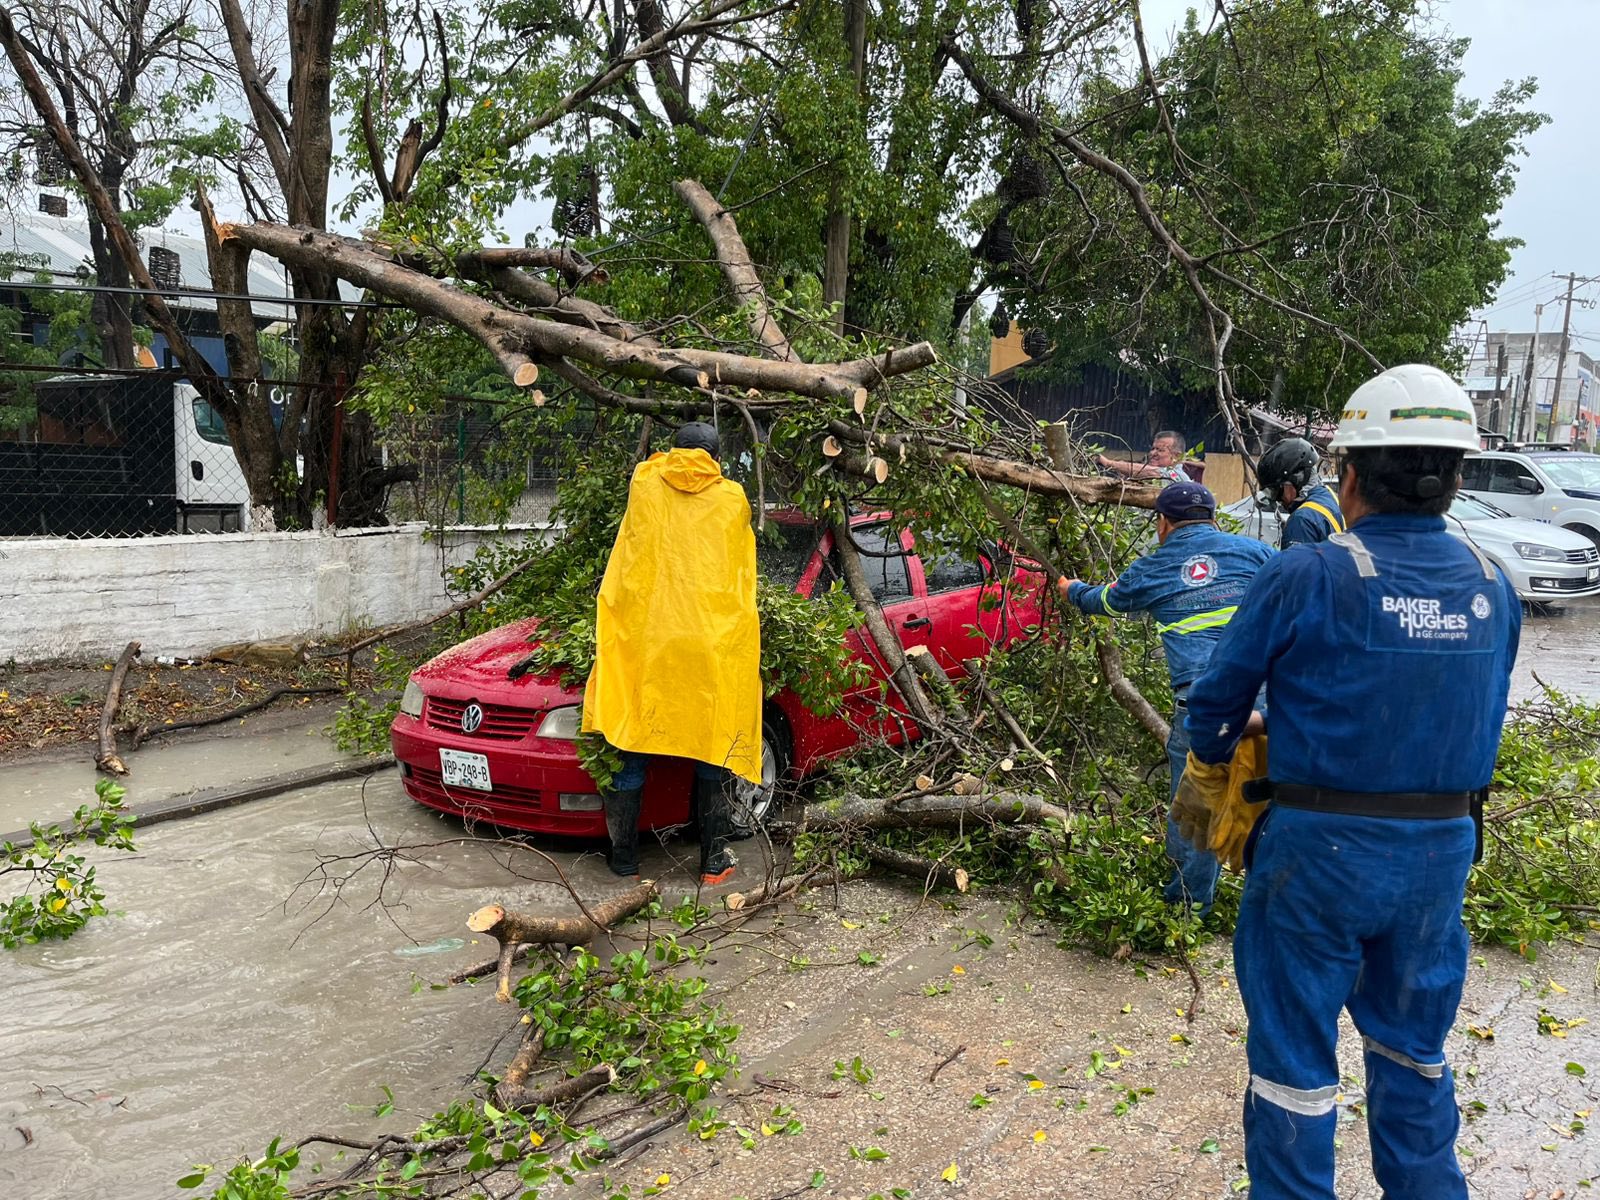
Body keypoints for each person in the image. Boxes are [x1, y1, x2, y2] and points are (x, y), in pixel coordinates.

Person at [1177, 364, 1521, 1200]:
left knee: (1295, 1065)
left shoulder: (1308, 574)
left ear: (1351, 473)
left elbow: (1214, 705)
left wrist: (1234, 745)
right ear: (1457, 479)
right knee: (1414, 1054)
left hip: (1317, 857)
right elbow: (1459, 711)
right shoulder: (1493, 586)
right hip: (1440, 859)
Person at [1058, 481, 1273, 914]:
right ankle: (1272, 903)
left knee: (1197, 807)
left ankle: (1187, 908)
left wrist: (1071, 589)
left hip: (1205, 707)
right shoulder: (1258, 554)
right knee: (1267, 800)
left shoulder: (1153, 568)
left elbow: (1105, 601)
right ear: (1213, 519)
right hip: (1267, 701)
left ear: (1162, 523)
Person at [581, 421, 763, 886]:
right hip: (708, 644)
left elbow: (652, 472)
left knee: (631, 739)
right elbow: (740, 574)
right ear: (716, 459)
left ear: (673, 451)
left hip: (649, 643)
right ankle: (712, 863)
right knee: (713, 744)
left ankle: (624, 861)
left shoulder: (645, 483)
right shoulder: (732, 499)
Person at [1255, 435, 1344, 547]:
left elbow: (1293, 559)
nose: (1278, 500)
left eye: (1276, 490)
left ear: (1296, 480)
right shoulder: (1329, 496)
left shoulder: (1301, 521)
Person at [1096, 430, 1188, 485]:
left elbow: (1153, 473)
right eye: (1153, 448)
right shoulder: (1148, 477)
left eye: (1160, 450)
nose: (1152, 453)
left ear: (1177, 456)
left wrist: (1108, 463)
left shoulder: (1177, 476)